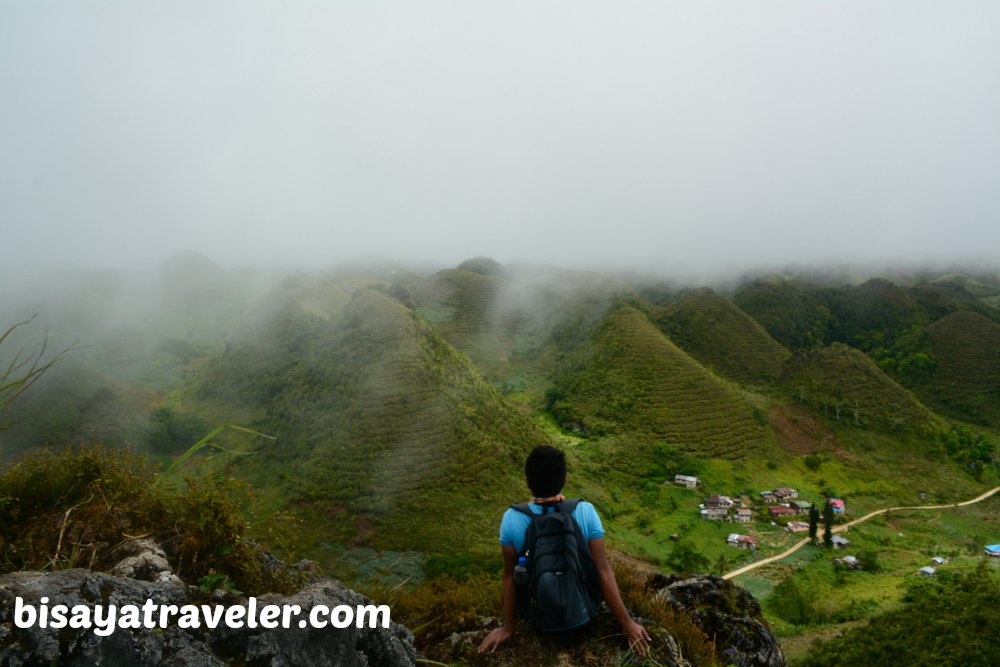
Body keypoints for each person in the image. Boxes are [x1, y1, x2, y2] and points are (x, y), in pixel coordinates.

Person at [478, 445, 651, 656]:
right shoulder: (586, 511)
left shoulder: (511, 519)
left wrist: (508, 628)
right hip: (583, 613)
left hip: (537, 617)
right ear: (564, 480)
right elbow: (602, 570)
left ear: (527, 482)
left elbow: (509, 576)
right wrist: (627, 623)